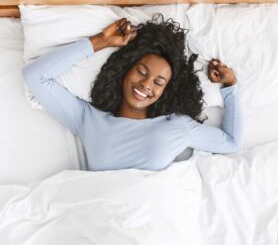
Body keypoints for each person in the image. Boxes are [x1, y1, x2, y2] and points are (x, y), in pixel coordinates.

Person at [21, 13, 242, 171]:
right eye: (141, 72)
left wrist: (230, 86)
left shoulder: (178, 126)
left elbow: (231, 142)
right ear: (124, 71)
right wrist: (100, 42)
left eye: (158, 82)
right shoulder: (87, 119)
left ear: (166, 91)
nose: (146, 85)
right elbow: (35, 76)